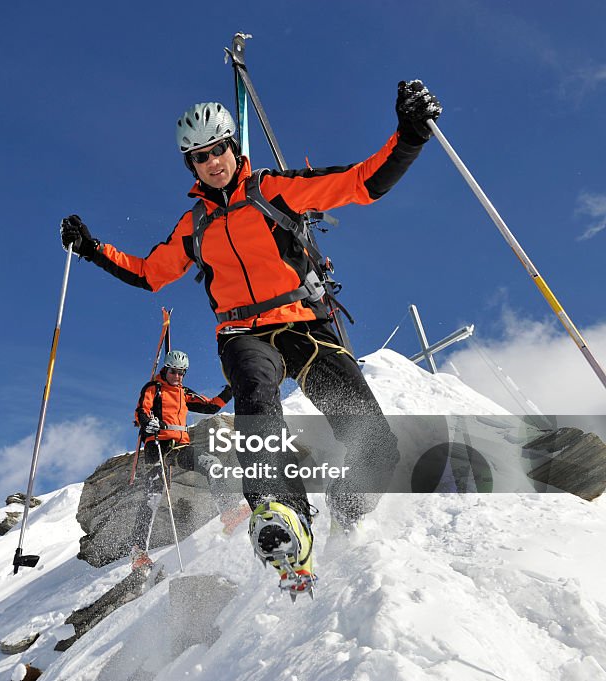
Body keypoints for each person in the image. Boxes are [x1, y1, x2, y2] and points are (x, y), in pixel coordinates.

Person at [61, 80, 442, 595]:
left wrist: (410, 134)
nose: (212, 161)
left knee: (372, 439)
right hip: (242, 329)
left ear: (233, 148)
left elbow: (360, 183)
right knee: (255, 395)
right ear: (190, 166)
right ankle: (280, 509)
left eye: (218, 148)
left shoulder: (273, 190)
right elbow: (151, 272)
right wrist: (91, 247)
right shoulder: (193, 225)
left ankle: (349, 514)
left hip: (305, 321)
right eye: (199, 156)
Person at [128, 349, 246, 571]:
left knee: (212, 464)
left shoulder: (183, 392)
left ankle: (229, 513)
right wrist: (147, 423)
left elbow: (210, 406)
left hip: (180, 446)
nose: (178, 376)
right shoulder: (154, 388)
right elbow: (141, 411)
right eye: (174, 371)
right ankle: (138, 553)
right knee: (153, 496)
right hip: (158, 445)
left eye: (182, 373)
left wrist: (231, 390)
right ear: (166, 369)